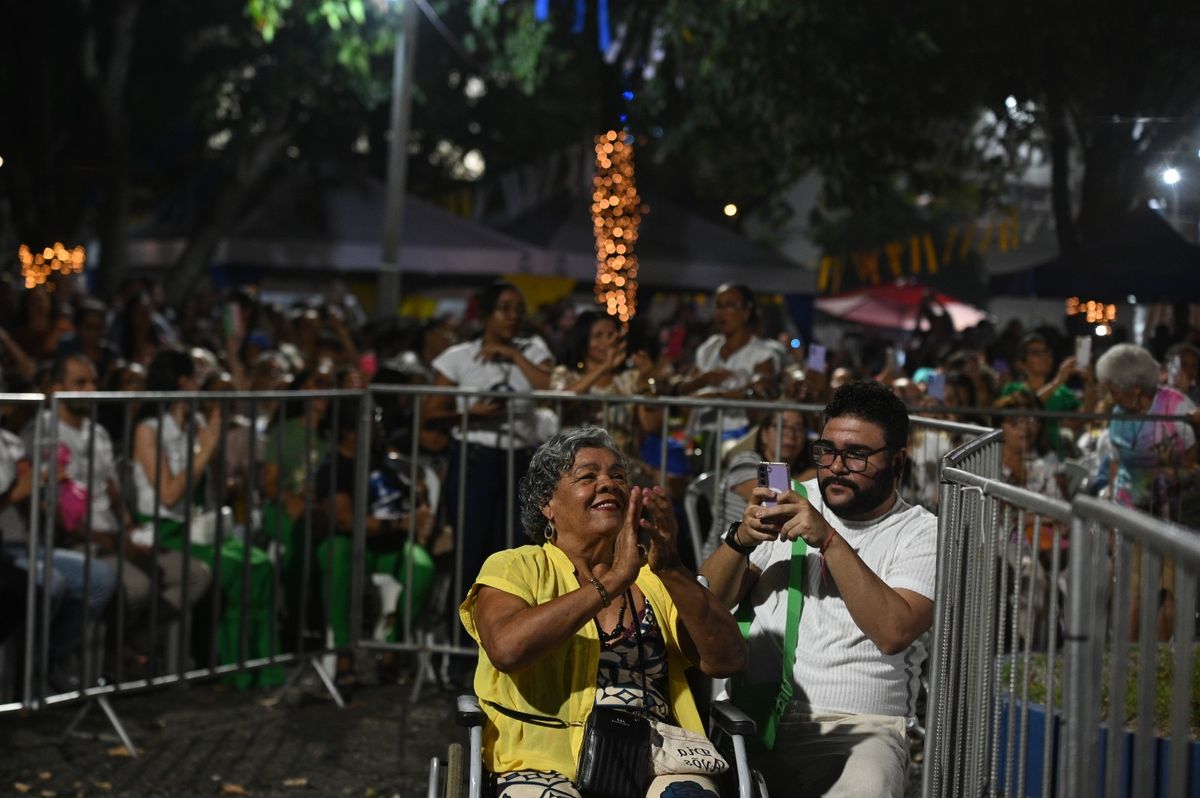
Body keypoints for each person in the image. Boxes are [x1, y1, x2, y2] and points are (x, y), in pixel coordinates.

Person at [461, 426, 745, 797]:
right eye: (588, 476)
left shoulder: (655, 578)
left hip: (654, 757)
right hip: (540, 762)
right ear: (547, 503)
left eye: (618, 476)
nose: (608, 484)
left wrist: (674, 567)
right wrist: (610, 582)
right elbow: (507, 648)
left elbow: (726, 660)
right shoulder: (515, 567)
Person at [700, 381, 937, 797]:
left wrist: (828, 539)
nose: (836, 466)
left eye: (857, 455)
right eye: (826, 451)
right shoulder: (792, 501)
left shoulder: (922, 532)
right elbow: (706, 605)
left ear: (897, 460)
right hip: (756, 717)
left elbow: (894, 631)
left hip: (862, 729)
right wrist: (740, 540)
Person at [25, 354, 212, 669]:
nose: (90, 389)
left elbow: (111, 489)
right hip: (77, 540)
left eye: (93, 381)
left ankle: (130, 641)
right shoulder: (43, 431)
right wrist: (114, 542)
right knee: (136, 587)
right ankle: (93, 658)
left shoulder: (96, 431)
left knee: (194, 574)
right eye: (79, 383)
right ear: (56, 389)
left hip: (114, 535)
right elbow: (56, 511)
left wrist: (129, 530)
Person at [131, 348, 283, 688]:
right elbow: (169, 493)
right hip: (164, 529)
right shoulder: (149, 429)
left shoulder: (195, 425)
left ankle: (258, 662)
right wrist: (206, 449)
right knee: (232, 568)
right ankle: (229, 666)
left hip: (199, 526)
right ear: (183, 383)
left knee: (257, 563)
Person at [424, 282, 553, 608]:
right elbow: (431, 412)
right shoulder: (458, 357)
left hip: (519, 459)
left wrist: (512, 354)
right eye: (504, 309)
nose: (513, 317)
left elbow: (552, 385)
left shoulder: (533, 349)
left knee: (512, 548)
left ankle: (507, 628)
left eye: (518, 310)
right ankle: (460, 640)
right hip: (474, 457)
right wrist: (472, 412)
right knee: (470, 546)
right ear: (485, 315)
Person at [312, 399, 435, 686]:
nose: (380, 427)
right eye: (372, 420)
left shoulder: (388, 460)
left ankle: (392, 649)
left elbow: (418, 495)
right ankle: (344, 654)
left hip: (393, 546)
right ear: (348, 431)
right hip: (352, 545)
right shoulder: (335, 468)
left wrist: (420, 495)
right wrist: (403, 523)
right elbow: (347, 521)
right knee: (337, 557)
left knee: (422, 568)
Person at [1095, 343, 1197, 640]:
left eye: (1113, 389)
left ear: (1135, 389)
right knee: (1132, 594)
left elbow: (1194, 459)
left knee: (1173, 594)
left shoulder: (1176, 407)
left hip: (1177, 514)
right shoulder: (1118, 415)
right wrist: (1114, 517)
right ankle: (1126, 670)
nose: (1110, 396)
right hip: (1133, 515)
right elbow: (1116, 466)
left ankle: (1161, 671)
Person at [678, 283, 780, 446]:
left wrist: (716, 397)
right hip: (700, 433)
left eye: (730, 306)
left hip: (739, 436)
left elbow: (762, 395)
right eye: (718, 306)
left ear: (746, 312)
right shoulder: (708, 348)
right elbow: (683, 388)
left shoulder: (762, 353)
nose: (721, 313)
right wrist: (704, 379)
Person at [705, 409, 816, 558]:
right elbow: (773, 498)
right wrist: (814, 476)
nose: (791, 434)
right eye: (782, 426)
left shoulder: (799, 472)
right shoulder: (746, 460)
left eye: (798, 428)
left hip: (771, 555)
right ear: (764, 434)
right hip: (730, 555)